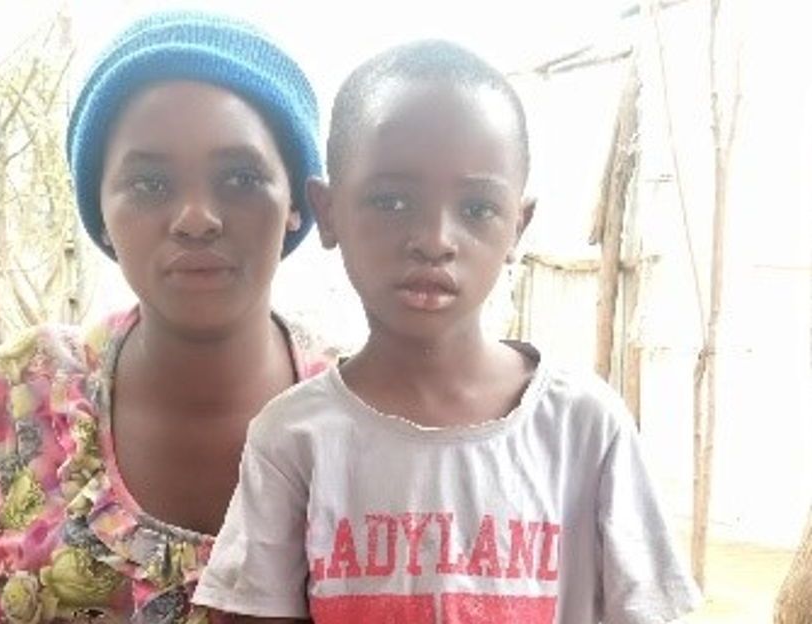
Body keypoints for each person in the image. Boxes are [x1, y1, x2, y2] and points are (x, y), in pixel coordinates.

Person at [0, 10, 331, 623]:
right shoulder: (25, 396)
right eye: (150, 183)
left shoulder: (364, 423)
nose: (196, 217)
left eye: (239, 177)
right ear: (98, 211)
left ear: (296, 204)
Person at [193, 39, 701, 624]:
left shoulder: (583, 427)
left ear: (518, 225)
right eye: (391, 200)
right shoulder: (296, 437)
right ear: (329, 213)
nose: (434, 238)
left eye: (478, 208)